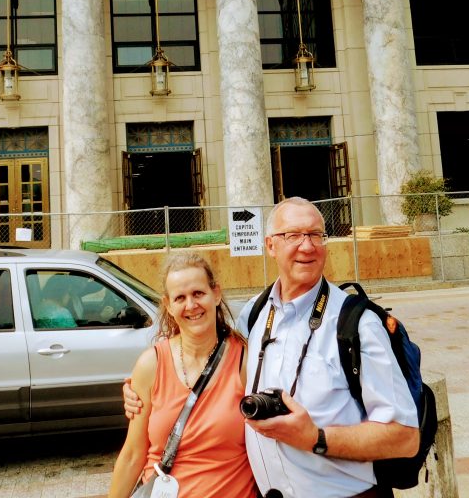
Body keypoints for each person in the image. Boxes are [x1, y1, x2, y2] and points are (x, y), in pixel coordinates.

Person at [126, 197, 419, 498]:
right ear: (270, 246)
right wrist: (139, 387)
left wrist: (315, 438)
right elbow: (202, 356)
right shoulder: (253, 316)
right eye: (293, 235)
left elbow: (405, 437)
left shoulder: (357, 324)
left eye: (316, 234)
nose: (307, 246)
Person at [108, 251, 256, 498]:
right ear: (168, 305)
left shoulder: (245, 361)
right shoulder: (151, 364)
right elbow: (133, 455)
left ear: (216, 294)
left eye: (198, 293)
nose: (191, 305)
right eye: (180, 297)